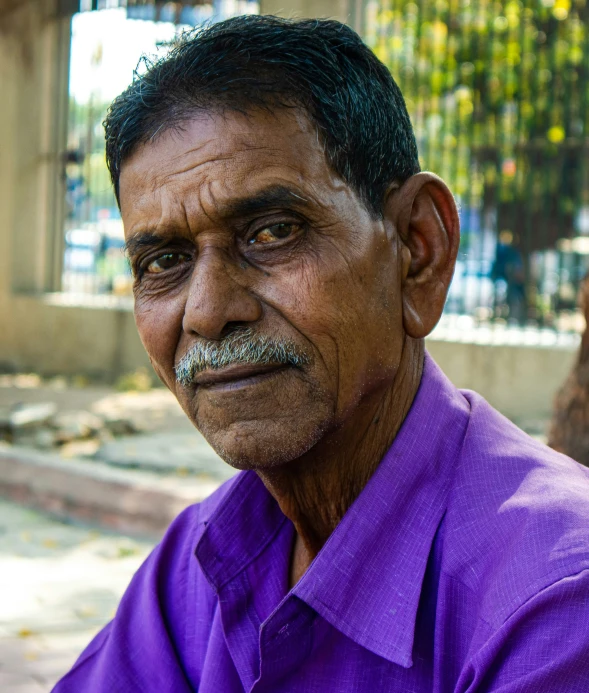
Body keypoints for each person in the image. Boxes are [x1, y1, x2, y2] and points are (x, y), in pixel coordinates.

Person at [53, 16, 589, 692]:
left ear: (417, 251)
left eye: (273, 231)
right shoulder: (198, 565)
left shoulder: (555, 601)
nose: (209, 310)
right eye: (164, 259)